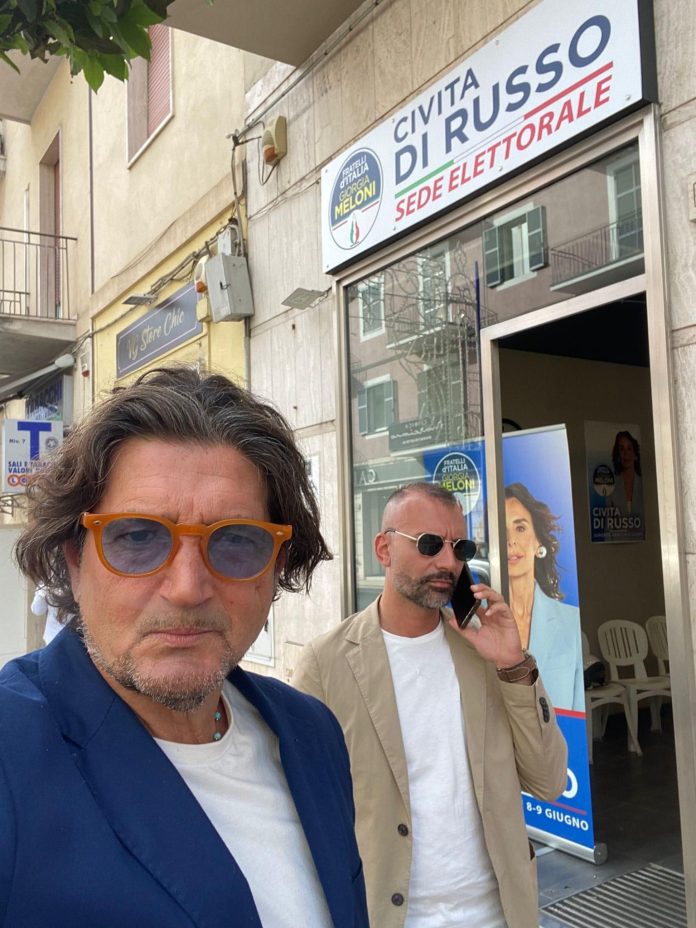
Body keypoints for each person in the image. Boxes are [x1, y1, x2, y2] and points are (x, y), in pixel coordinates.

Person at [0, 366, 368, 928]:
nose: (188, 588)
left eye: (236, 540)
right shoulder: (12, 752)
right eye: (138, 536)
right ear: (74, 560)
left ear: (276, 567)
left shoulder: (312, 734)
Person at [293, 482, 568, 928]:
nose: (447, 562)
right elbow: (305, 816)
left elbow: (549, 781)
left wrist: (513, 665)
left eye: (460, 548)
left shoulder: (485, 653)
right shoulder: (327, 664)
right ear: (384, 549)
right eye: (428, 544)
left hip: (498, 914)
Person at [505, 482, 584, 712]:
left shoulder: (571, 621)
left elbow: (578, 709)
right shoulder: (476, 622)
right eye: (502, 529)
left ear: (538, 540)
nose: (511, 540)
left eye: (520, 528)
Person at [611, 429, 642, 516]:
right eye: (622, 449)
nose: (626, 453)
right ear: (618, 455)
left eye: (629, 448)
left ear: (635, 454)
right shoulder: (611, 486)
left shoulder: (643, 484)